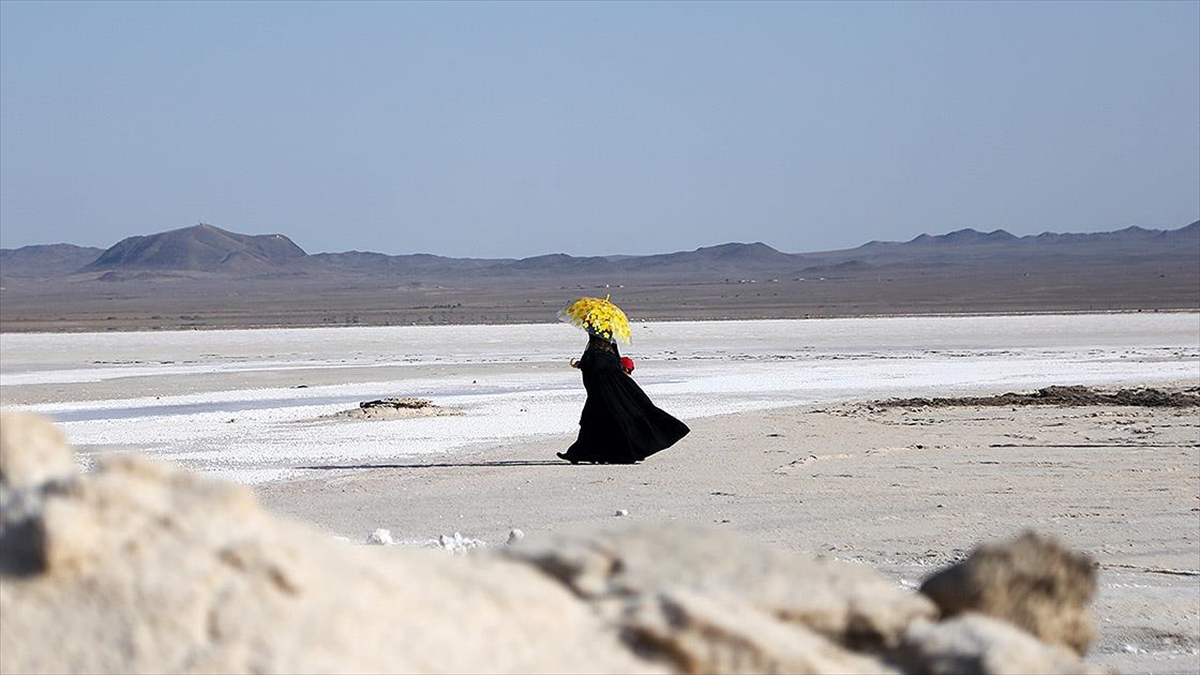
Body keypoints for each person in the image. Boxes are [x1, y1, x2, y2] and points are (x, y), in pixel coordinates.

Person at [557, 333, 690, 464]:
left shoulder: (598, 354)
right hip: (603, 395)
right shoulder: (606, 352)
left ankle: (585, 454)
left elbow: (597, 367)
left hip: (604, 396)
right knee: (595, 424)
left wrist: (581, 364)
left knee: (597, 424)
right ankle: (582, 454)